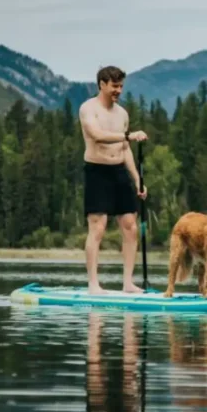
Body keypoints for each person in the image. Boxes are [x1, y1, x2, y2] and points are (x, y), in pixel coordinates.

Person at [78, 65, 148, 295]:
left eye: (121, 86)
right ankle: (93, 284)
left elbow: (125, 149)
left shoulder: (123, 114)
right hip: (97, 172)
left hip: (119, 172)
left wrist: (137, 180)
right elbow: (96, 136)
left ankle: (128, 283)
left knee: (130, 227)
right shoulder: (88, 109)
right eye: (114, 86)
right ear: (102, 84)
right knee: (97, 227)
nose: (118, 90)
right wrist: (129, 135)